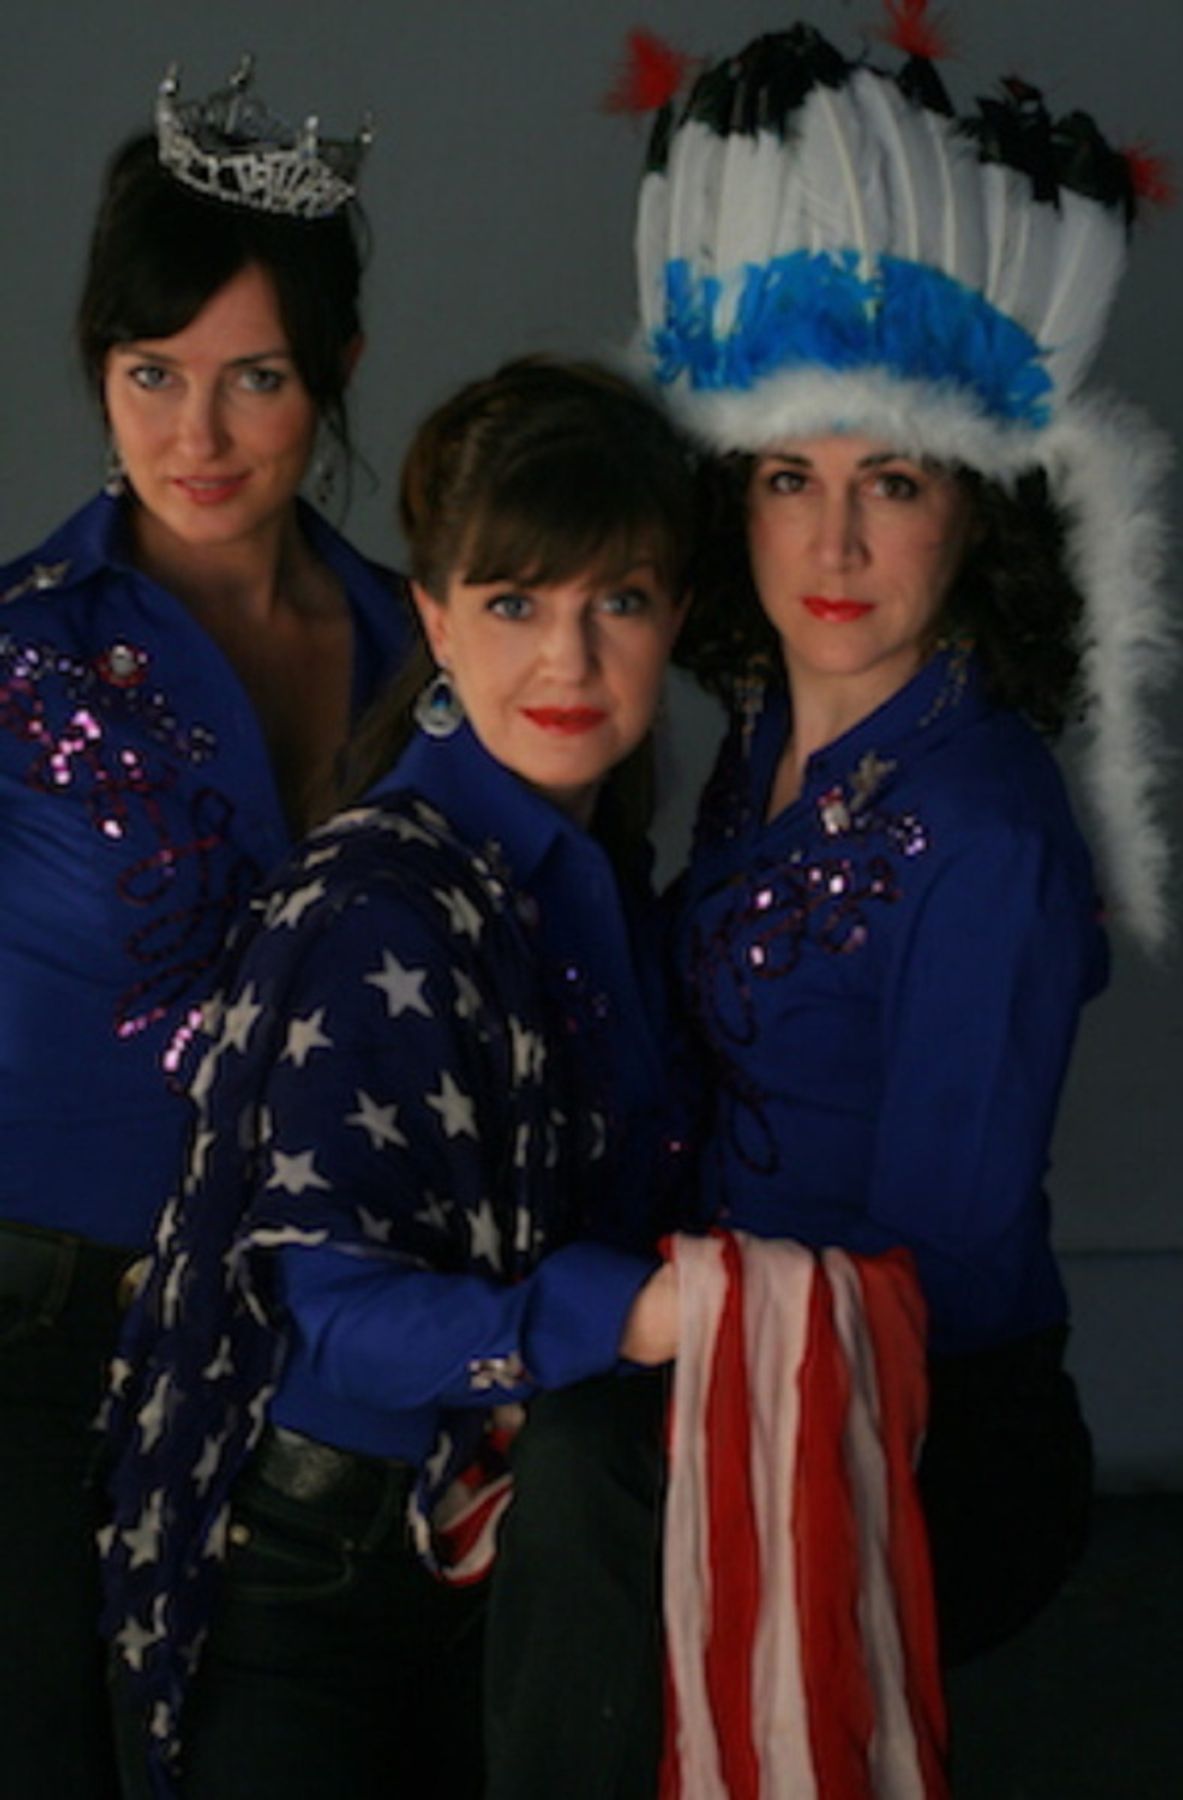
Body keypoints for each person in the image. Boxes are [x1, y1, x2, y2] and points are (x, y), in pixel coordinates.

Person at [486, 10, 1176, 1795]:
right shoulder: (762, 740)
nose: (837, 544)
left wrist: (657, 1339)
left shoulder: (986, 826)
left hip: (920, 1408)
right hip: (728, 1339)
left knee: (580, 1467)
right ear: (739, 500)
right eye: (793, 479)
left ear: (975, 515)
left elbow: (931, 1261)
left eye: (894, 483)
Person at [99, 355, 695, 1800]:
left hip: (494, 1562)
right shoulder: (382, 899)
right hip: (315, 1587)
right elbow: (339, 1318)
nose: (569, 662)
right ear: (432, 617)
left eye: (617, 602)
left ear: (675, 617)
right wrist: (633, 1314)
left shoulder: (598, 880)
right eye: (514, 604)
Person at [0, 58, 407, 1800]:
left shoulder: (430, 653)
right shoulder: (20, 654)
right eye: (153, 372)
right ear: (99, 369)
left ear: (336, 376)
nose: (199, 436)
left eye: (258, 377)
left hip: (313, 1349)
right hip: (33, 1335)